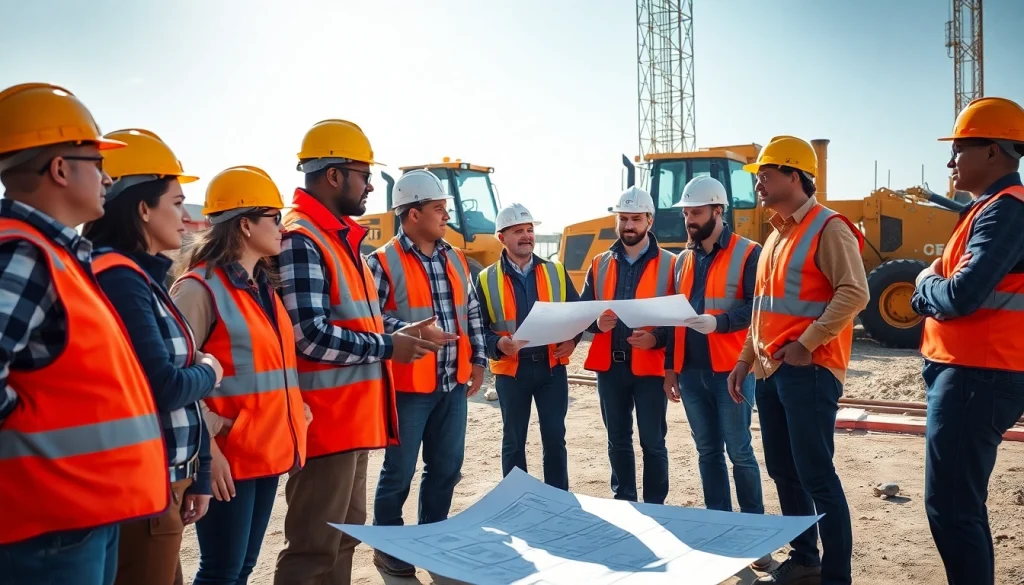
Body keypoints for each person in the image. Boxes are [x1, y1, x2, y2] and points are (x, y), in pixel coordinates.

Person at [0, 82, 169, 585]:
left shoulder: (57, 256)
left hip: (81, 514)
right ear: (58, 169)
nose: (107, 176)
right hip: (52, 521)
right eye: (97, 163)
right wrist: (37, 450)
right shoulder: (22, 255)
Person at [275, 119, 437, 585]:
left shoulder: (339, 239)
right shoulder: (302, 239)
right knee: (312, 550)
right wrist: (391, 346)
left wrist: (399, 331)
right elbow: (311, 336)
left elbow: (355, 322)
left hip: (352, 420)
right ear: (333, 176)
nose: (369, 185)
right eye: (363, 175)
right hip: (325, 423)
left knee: (343, 540)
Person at [728, 135, 869, 585]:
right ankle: (806, 559)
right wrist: (744, 359)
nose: (760, 186)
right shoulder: (775, 234)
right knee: (783, 471)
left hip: (809, 370)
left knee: (816, 475)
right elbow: (762, 306)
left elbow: (855, 291)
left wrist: (808, 342)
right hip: (771, 370)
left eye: (766, 176)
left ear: (794, 175)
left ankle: (837, 576)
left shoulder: (829, 227)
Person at [83, 128, 221, 585]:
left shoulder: (143, 279)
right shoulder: (120, 279)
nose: (186, 218)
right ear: (143, 209)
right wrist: (209, 369)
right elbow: (163, 385)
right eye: (177, 202)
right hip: (145, 484)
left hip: (166, 480)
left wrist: (197, 474)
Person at [170, 165, 310, 585]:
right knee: (221, 571)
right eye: (274, 218)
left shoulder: (260, 288)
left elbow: (266, 368)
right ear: (245, 224)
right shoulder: (197, 289)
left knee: (242, 569)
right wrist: (208, 446)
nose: (283, 228)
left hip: (265, 449)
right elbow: (173, 380)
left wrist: (293, 405)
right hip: (228, 457)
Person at [911, 96, 1024, 585]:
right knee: (954, 505)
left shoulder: (1006, 212)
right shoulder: (988, 210)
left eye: (959, 149)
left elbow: (961, 294)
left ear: (994, 151)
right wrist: (933, 288)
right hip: (971, 371)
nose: (950, 160)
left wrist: (923, 285)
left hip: (979, 373)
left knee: (953, 508)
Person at [366, 169, 487, 577]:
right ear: (413, 214)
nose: (445, 217)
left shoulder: (454, 257)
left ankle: (432, 540)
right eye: (438, 209)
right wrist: (405, 331)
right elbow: (370, 320)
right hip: (408, 388)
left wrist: (480, 361)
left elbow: (470, 311)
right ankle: (390, 546)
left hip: (452, 382)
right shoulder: (381, 261)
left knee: (446, 468)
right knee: (398, 472)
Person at [662, 176, 770, 571]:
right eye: (686, 213)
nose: (689, 219)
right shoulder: (683, 260)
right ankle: (721, 533)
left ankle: (756, 539)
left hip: (732, 371)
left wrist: (720, 322)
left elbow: (756, 309)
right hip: (690, 373)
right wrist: (670, 367)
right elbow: (676, 318)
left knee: (740, 452)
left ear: (717, 211)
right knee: (707, 452)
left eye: (696, 212)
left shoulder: (749, 253)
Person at [475, 202, 581, 490]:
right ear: (502, 237)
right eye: (518, 230)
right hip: (512, 371)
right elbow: (477, 328)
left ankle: (558, 499)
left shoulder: (556, 271)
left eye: (530, 230)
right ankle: (515, 499)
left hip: (552, 370)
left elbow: (577, 313)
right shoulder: (486, 279)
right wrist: (498, 343)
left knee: (555, 438)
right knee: (513, 439)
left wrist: (572, 341)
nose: (527, 236)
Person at [580, 187, 675, 505]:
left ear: (649, 220)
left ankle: (655, 505)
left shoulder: (671, 265)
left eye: (635, 218)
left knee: (653, 441)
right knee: (617, 440)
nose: (629, 225)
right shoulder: (598, 263)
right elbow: (583, 311)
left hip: (650, 367)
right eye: (623, 218)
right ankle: (625, 500)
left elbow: (678, 320)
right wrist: (596, 324)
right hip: (611, 368)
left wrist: (656, 338)